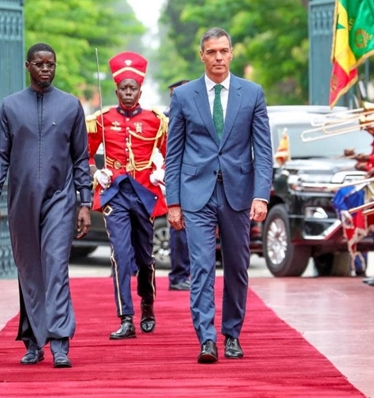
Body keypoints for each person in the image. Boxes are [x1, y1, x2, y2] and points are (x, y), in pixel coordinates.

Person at [165, 27, 272, 363]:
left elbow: (263, 151)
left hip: (238, 194)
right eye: (211, 52)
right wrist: (173, 202)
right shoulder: (184, 96)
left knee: (237, 266)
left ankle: (232, 334)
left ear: (231, 53)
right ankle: (206, 339)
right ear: (202, 56)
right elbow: (174, 153)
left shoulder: (252, 93)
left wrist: (261, 195)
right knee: (201, 267)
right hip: (196, 193)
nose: (218, 58)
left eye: (223, 51)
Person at [0, 43, 92, 368]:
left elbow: (81, 158)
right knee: (29, 270)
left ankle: (60, 342)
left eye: (51, 64)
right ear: (28, 66)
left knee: (56, 267)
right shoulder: (10, 107)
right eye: (40, 64)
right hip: (21, 201)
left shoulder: (71, 106)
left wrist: (85, 201)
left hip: (60, 199)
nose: (46, 69)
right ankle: (33, 341)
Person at [86, 51, 169, 339]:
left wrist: (162, 172)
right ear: (117, 91)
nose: (129, 92)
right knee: (120, 255)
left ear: (140, 91)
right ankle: (126, 318)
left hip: (145, 192)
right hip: (115, 194)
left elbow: (172, 153)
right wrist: (96, 172)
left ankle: (147, 303)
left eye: (133, 88)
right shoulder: (102, 120)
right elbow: (83, 153)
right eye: (124, 88)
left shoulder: (155, 120)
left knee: (145, 257)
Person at [165, 79, 191, 291]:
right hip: (174, 179)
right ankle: (179, 275)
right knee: (179, 229)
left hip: (196, 179)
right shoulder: (164, 120)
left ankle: (188, 274)